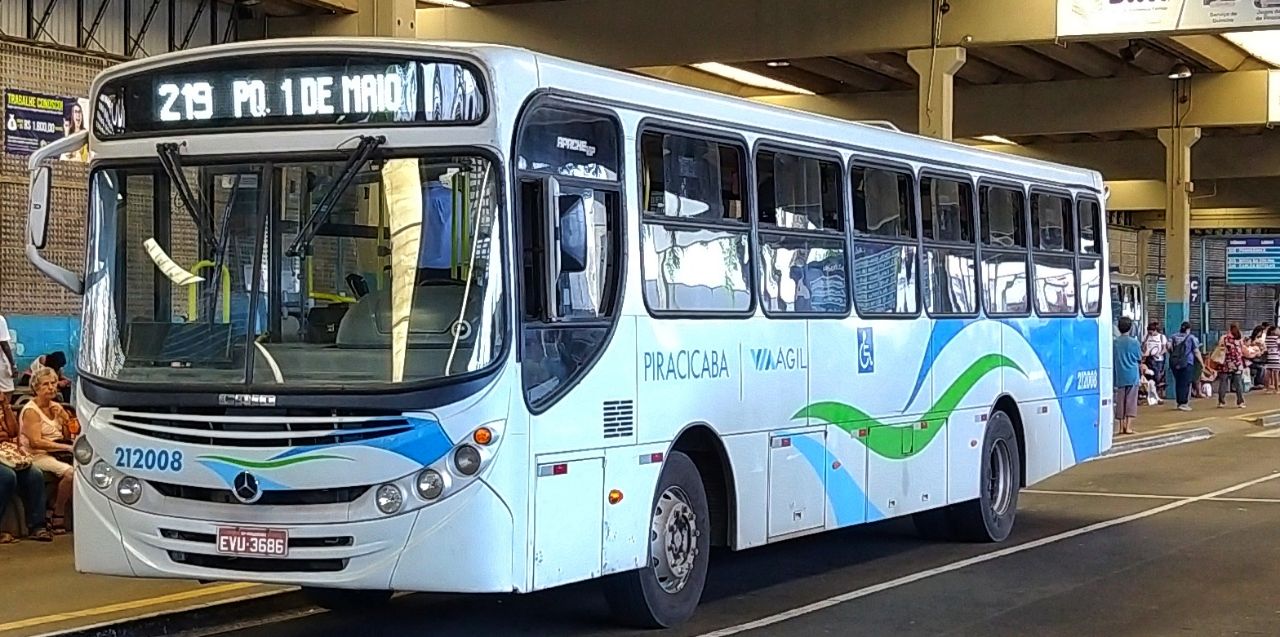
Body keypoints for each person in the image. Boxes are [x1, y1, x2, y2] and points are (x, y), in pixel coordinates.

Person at [21, 369, 73, 533]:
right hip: (36, 454)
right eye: (46, 384)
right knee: (71, 473)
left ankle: (56, 503)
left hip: (57, 452)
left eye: (53, 383)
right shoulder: (31, 411)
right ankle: (57, 513)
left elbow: (68, 435)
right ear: (36, 388)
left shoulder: (56, 406)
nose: (51, 387)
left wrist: (65, 420)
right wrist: (66, 447)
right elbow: (35, 442)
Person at [0, 411, 52, 543]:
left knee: (35, 475)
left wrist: (5, 406)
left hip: (6, 453)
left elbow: (12, 432)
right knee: (7, 477)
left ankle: (37, 526)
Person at [1113, 316, 1142, 436]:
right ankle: (1128, 427)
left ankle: (1120, 427)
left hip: (1119, 374)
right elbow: (1139, 357)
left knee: (1120, 400)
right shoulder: (1134, 342)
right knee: (1130, 401)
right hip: (1132, 374)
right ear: (1130, 328)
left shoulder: (1115, 343)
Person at [1169, 322, 1203, 411]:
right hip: (1187, 363)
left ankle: (1179, 402)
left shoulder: (1173, 336)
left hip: (1175, 363)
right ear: (1188, 329)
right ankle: (1184, 403)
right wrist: (1201, 363)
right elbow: (1196, 351)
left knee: (1178, 383)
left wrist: (1175, 355)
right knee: (1186, 383)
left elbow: (1168, 347)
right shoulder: (1191, 338)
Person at [1216, 323, 1247, 409]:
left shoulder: (1224, 338)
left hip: (1225, 363)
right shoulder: (1240, 339)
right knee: (1238, 383)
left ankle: (1221, 402)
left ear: (1229, 329)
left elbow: (1220, 348)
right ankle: (1240, 402)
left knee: (1223, 382)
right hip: (1237, 363)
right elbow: (1243, 350)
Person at [1142, 321, 1169, 395]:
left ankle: (1156, 389)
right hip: (1148, 358)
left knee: (1157, 375)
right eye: (1149, 333)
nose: (1150, 334)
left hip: (1158, 360)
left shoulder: (1161, 337)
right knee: (1149, 374)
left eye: (1151, 333)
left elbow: (1165, 348)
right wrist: (1145, 352)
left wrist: (1159, 353)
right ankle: (1150, 390)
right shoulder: (1146, 336)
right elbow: (1143, 346)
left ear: (1155, 331)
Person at [1266, 325, 1280, 395]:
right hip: (1276, 357)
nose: (1279, 331)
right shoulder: (1276, 338)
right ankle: (1277, 389)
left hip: (1269, 356)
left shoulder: (1267, 338)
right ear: (1272, 331)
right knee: (1276, 373)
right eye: (1277, 330)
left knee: (1269, 372)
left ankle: (1268, 389)